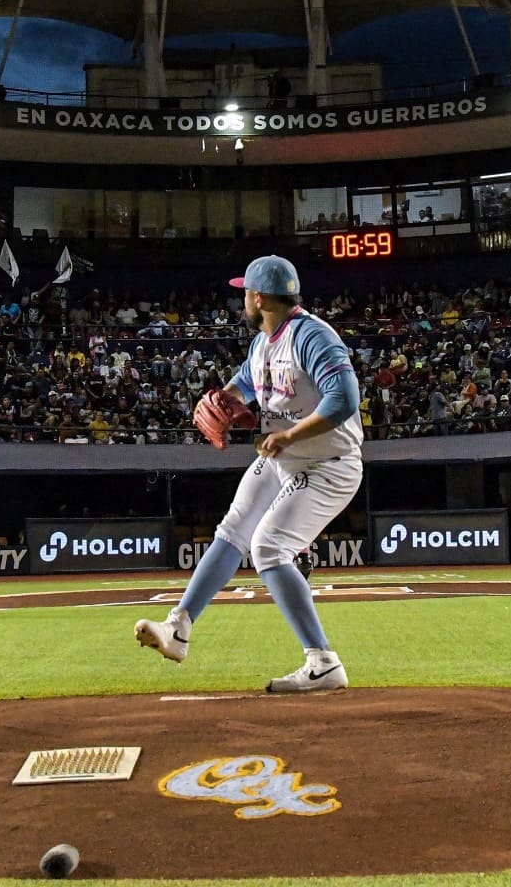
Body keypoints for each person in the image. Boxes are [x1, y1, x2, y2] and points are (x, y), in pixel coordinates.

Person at [136, 255, 362, 693]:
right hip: (286, 457)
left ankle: (323, 662)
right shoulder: (263, 342)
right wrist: (223, 398)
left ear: (259, 296)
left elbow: (345, 399)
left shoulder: (311, 337)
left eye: (245, 293)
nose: (243, 299)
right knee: (231, 532)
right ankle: (178, 629)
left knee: (269, 547)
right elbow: (243, 384)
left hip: (329, 464)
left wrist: (291, 434)